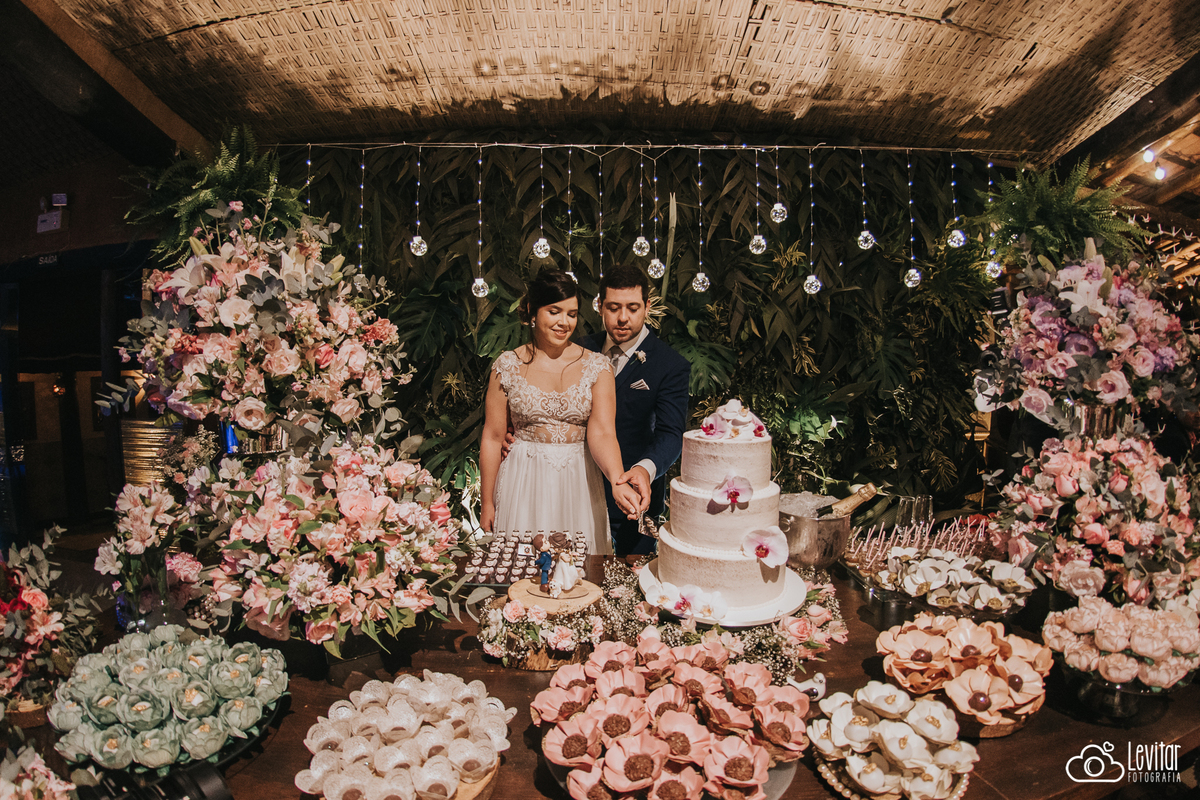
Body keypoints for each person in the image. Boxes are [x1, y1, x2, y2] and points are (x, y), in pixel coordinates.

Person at [479, 269, 642, 557]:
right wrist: (487, 502)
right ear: (532, 311)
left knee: (578, 575)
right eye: (555, 312)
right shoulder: (506, 366)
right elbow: (492, 438)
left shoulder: (597, 366)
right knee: (523, 571)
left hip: (577, 478)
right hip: (523, 479)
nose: (564, 322)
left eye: (572, 314)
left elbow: (603, 432)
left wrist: (618, 479)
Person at [580, 265, 691, 556]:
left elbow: (670, 433)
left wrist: (645, 469)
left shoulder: (670, 365)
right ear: (600, 306)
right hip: (575, 490)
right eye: (614, 307)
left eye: (632, 307)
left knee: (632, 586)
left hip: (633, 499)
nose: (623, 318)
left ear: (647, 306)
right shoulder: (578, 352)